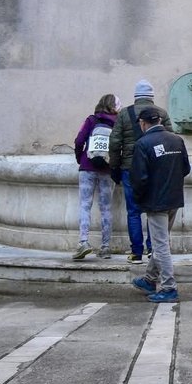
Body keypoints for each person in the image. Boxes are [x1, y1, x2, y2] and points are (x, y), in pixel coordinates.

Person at [128, 107, 190, 304]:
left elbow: (139, 178)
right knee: (161, 240)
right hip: (174, 198)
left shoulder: (143, 144)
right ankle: (149, 279)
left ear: (143, 123)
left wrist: (139, 199)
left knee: (160, 244)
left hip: (156, 202)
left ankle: (169, 287)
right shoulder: (176, 140)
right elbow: (186, 168)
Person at [108, 79, 173, 264]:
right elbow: (170, 137)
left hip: (130, 168)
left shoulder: (124, 114)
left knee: (133, 211)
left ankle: (136, 252)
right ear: (151, 97)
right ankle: (153, 249)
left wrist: (115, 166)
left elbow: (114, 142)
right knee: (154, 208)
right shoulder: (161, 113)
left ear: (136, 96)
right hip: (156, 168)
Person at [72, 94, 119, 260]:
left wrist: (81, 159)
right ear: (114, 106)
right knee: (106, 208)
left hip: (87, 167)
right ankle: (105, 247)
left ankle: (83, 242)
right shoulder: (117, 123)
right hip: (107, 169)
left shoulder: (91, 120)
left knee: (85, 205)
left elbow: (79, 141)